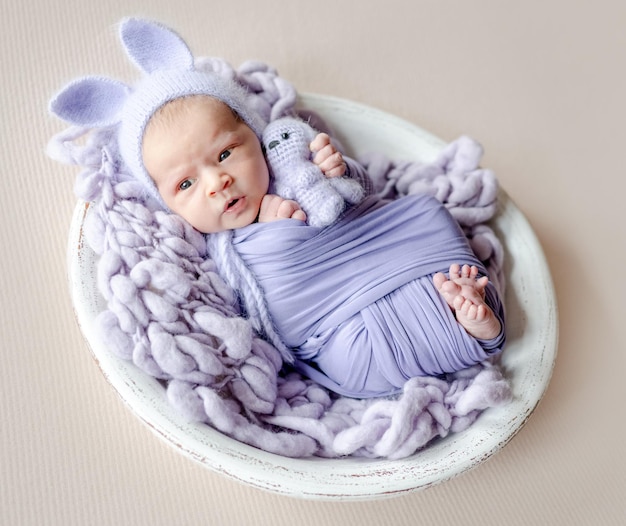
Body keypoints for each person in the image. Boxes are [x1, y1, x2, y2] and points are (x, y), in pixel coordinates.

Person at [49, 17, 505, 399]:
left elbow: (369, 201)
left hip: (394, 256)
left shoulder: (293, 162)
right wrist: (275, 236)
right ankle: (469, 331)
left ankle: (471, 319)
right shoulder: (215, 248)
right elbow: (260, 305)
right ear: (165, 202)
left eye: (226, 154)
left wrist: (337, 172)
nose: (217, 182)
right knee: (354, 359)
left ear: (256, 135)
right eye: (186, 183)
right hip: (336, 323)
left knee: (431, 221)